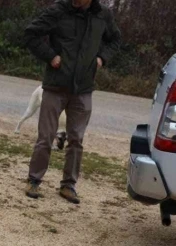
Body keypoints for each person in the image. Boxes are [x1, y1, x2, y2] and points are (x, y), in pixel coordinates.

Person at [24, 0, 120, 204]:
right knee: (46, 137)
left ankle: (68, 185)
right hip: (55, 85)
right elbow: (31, 34)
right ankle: (34, 180)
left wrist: (102, 58)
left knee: (76, 140)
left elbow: (115, 40)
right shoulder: (58, 11)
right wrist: (50, 56)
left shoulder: (103, 15)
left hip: (83, 88)